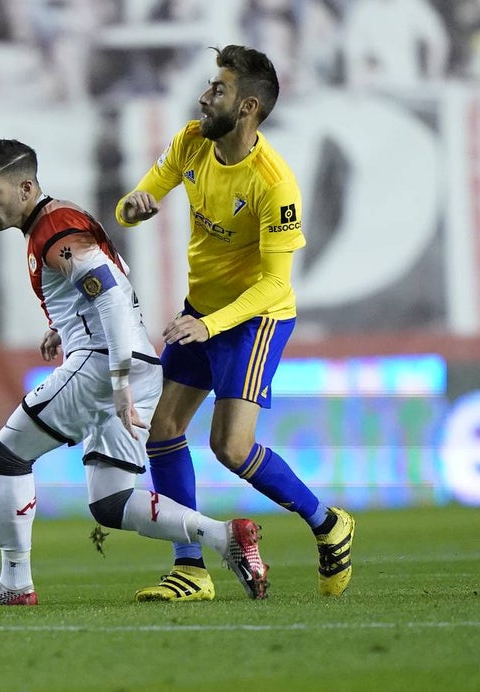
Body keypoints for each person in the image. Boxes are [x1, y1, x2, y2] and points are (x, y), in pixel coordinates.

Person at [0, 139, 268, 607]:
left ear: (24, 188)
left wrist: (117, 381)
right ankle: (228, 538)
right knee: (111, 502)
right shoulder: (57, 220)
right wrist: (61, 326)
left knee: (8, 455)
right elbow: (109, 285)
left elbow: (111, 298)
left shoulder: (55, 231)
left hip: (105, 368)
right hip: (136, 364)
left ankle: (15, 583)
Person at [115, 45, 354, 602]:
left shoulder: (274, 183)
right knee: (163, 429)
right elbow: (139, 195)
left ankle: (328, 524)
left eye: (217, 89)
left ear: (247, 107)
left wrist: (211, 324)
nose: (204, 95)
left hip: (254, 319)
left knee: (230, 446)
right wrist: (134, 208)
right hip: (201, 313)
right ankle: (191, 568)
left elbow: (276, 284)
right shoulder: (191, 141)